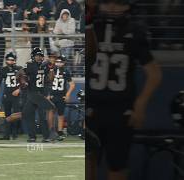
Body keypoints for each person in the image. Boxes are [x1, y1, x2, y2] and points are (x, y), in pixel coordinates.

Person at [87, 0, 162, 180]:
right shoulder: (91, 29)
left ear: (128, 6)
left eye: (118, 3)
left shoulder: (135, 32)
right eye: (107, 3)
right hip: (91, 107)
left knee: (117, 166)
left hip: (120, 110)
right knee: (86, 162)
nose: (112, 8)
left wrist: (140, 104)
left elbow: (154, 74)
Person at [17, 47, 56, 142]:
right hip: (32, 92)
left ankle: (40, 137)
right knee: (34, 113)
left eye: (40, 56)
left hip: (40, 93)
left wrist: (51, 70)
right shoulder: (29, 65)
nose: (39, 57)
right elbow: (19, 73)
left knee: (30, 114)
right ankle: (38, 136)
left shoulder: (46, 66)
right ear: (33, 56)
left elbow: (51, 79)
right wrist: (23, 81)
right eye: (37, 56)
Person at [0, 52, 23, 140]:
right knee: (7, 114)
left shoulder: (19, 69)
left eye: (12, 60)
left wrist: (19, 89)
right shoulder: (3, 70)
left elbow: (25, 82)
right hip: (6, 95)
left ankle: (15, 133)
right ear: (6, 60)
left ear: (15, 60)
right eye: (8, 59)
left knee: (16, 114)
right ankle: (6, 134)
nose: (10, 61)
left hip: (16, 96)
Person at [47, 55, 75, 141]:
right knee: (50, 112)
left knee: (60, 114)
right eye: (57, 61)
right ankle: (51, 131)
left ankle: (60, 132)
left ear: (64, 63)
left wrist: (67, 94)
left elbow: (72, 85)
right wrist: (48, 94)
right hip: (52, 95)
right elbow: (48, 82)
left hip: (61, 95)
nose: (59, 63)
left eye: (61, 62)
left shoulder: (66, 71)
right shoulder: (52, 70)